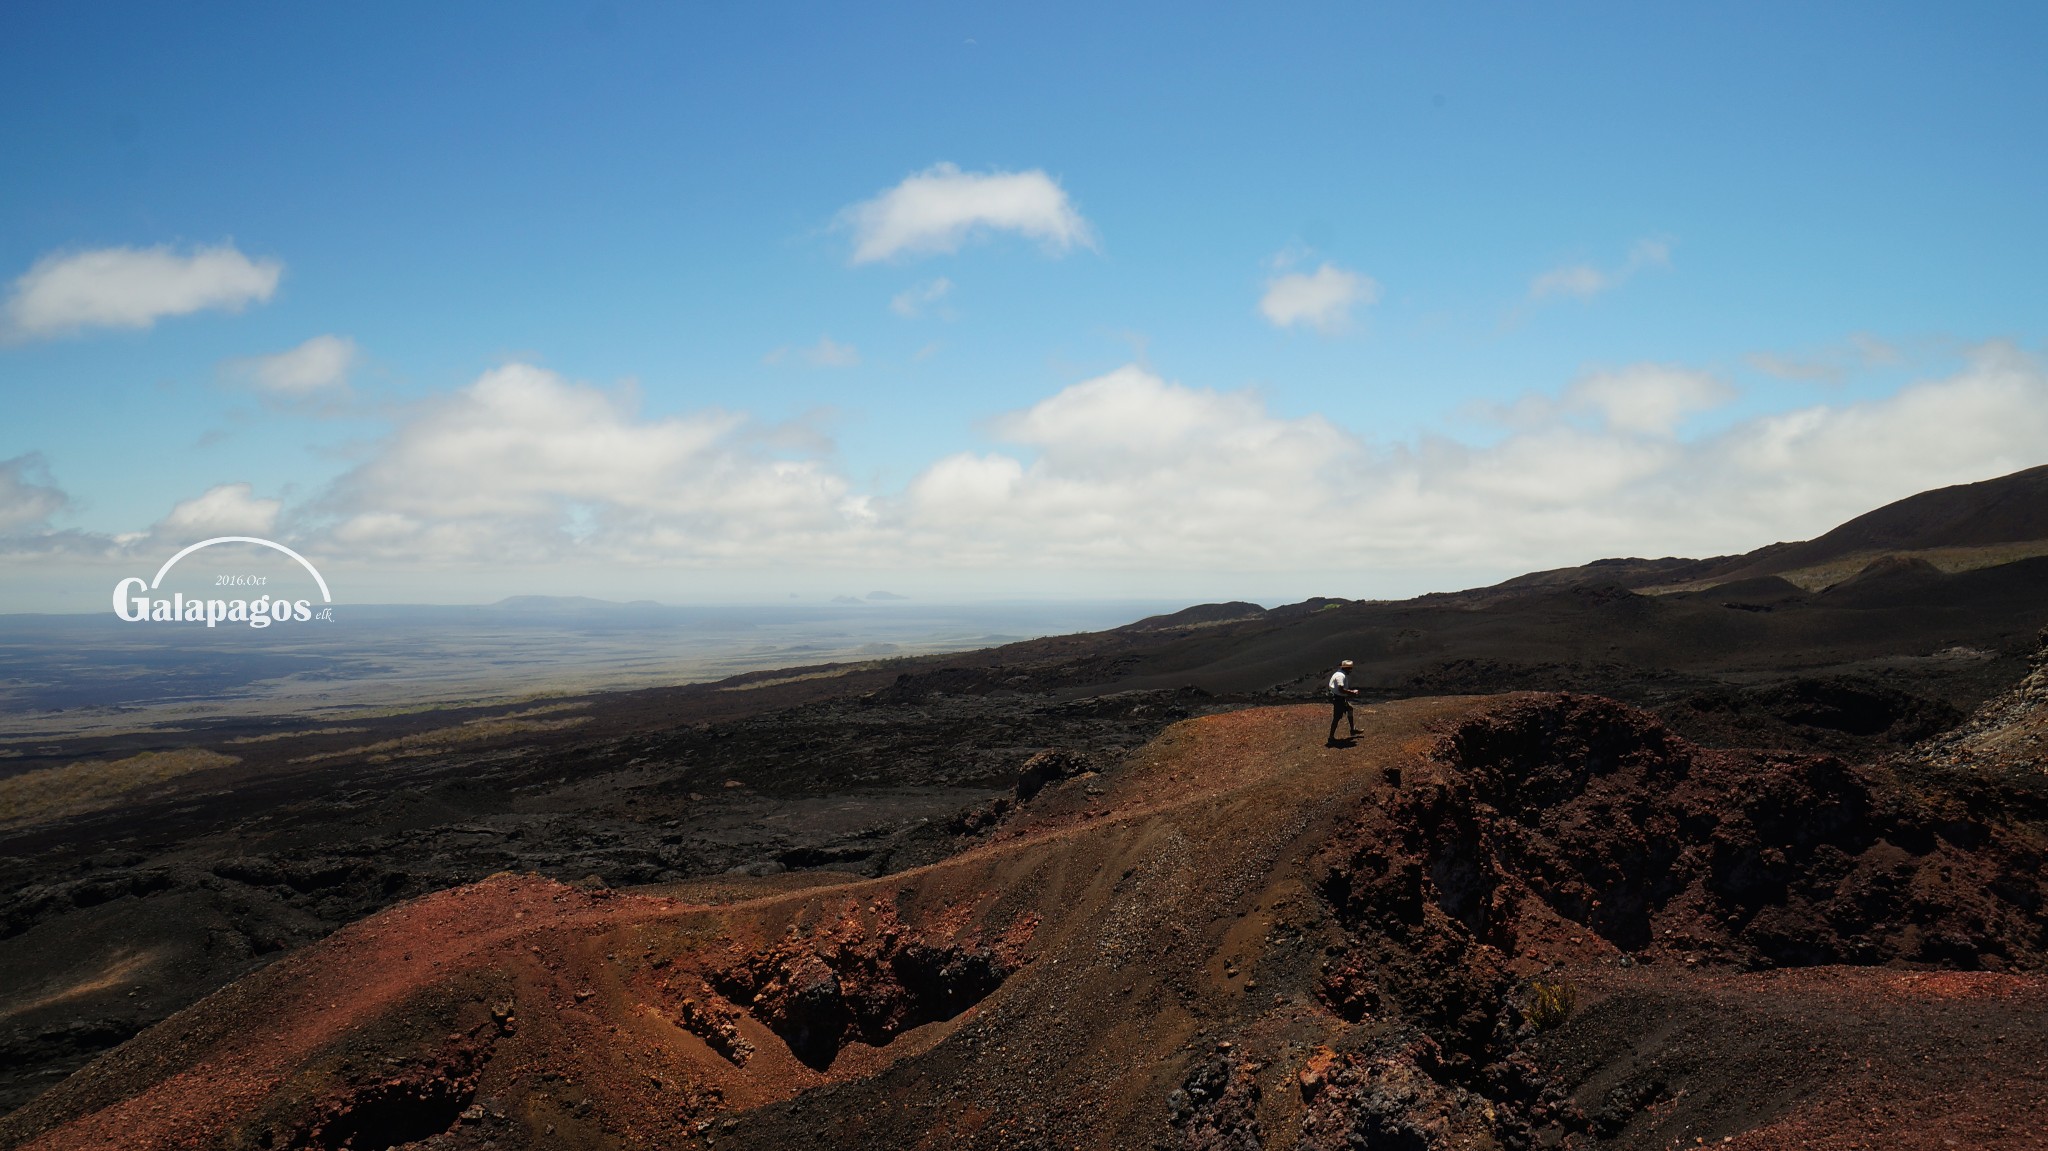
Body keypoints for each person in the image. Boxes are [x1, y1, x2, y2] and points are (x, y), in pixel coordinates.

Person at [1327, 659, 1360, 745]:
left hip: (1338, 698)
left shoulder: (1339, 674)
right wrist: (1352, 692)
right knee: (1336, 718)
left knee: (1349, 709)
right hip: (1338, 699)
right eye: (1350, 668)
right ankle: (1331, 737)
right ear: (1346, 668)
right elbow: (1340, 689)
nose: (1351, 670)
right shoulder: (1340, 676)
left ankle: (1352, 729)